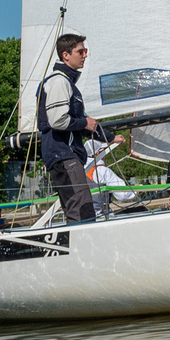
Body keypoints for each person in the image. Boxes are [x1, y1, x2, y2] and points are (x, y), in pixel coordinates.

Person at [33, 34, 117, 224]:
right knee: (82, 210)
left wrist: (110, 138)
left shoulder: (67, 83)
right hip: (63, 155)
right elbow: (57, 121)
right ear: (65, 55)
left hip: (65, 155)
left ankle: (81, 247)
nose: (84, 55)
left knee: (81, 209)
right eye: (80, 51)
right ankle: (83, 250)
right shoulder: (58, 81)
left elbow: (83, 122)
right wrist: (84, 123)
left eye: (85, 51)